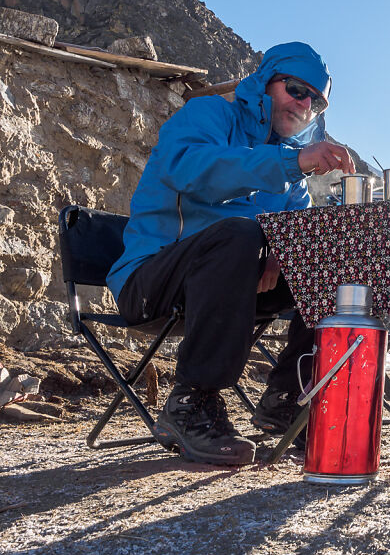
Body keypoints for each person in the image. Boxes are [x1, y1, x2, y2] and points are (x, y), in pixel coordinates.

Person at [106, 42, 355, 466]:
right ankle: (192, 402)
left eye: (316, 100)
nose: (305, 103)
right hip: (151, 281)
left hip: (234, 287)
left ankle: (289, 398)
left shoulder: (291, 172)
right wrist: (289, 166)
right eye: (296, 88)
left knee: (323, 260)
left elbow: (299, 232)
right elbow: (193, 169)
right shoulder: (208, 116)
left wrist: (282, 253)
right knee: (240, 235)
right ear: (265, 82)